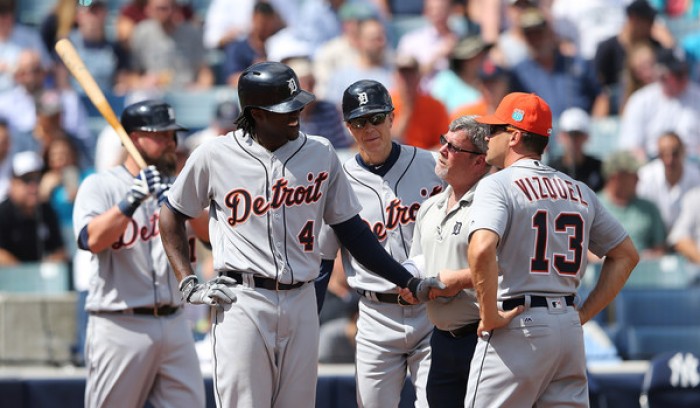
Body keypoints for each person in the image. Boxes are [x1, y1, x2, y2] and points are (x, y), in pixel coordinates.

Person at [158, 61, 438, 408]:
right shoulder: (215, 155)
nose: (296, 113)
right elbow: (171, 214)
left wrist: (406, 279)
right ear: (256, 113)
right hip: (243, 298)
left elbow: (353, 232)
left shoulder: (320, 152)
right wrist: (188, 282)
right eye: (285, 109)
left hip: (302, 299)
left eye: (297, 105)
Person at [450, 92, 638, 407]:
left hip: (519, 323)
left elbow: (481, 249)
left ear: (516, 136)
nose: (488, 135)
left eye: (496, 129)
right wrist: (583, 314)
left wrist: (489, 314)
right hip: (566, 325)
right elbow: (626, 255)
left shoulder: (497, 184)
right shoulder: (578, 189)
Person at [72, 100, 207, 408]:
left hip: (175, 322)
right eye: (160, 135)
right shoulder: (100, 185)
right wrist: (131, 200)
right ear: (134, 139)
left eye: (172, 136)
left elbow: (210, 237)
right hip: (121, 324)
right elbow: (90, 239)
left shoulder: (179, 188)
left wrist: (178, 205)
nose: (170, 143)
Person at [319, 79, 445, 408]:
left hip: (432, 308)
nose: (369, 128)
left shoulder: (433, 166)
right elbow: (322, 260)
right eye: (360, 121)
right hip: (375, 313)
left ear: (391, 117)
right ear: (348, 127)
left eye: (376, 117)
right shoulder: (339, 181)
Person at [407, 115, 491, 407]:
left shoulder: (492, 204)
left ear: (479, 162)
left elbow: (509, 265)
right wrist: (409, 281)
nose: (442, 149)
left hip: (483, 338)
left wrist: (458, 281)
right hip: (441, 340)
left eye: (453, 147)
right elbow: (418, 259)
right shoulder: (430, 206)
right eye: (444, 141)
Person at [0, 150, 66, 265]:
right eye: (26, 180)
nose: (33, 186)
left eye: (37, 179)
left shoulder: (46, 210)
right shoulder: (2, 213)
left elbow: (59, 251)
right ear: (12, 183)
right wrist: (26, 275)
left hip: (42, 280)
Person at [598, 150, 667, 257]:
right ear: (617, 177)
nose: (639, 179)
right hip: (603, 271)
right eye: (634, 175)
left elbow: (660, 248)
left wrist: (652, 257)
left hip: (644, 270)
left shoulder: (649, 208)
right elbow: (585, 249)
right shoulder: (593, 205)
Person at [636, 131, 700, 231]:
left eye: (674, 154)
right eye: (663, 154)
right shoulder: (645, 177)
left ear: (683, 151)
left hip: (688, 238)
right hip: (653, 238)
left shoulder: (697, 177)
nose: (669, 160)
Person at [548, 107, 604, 192]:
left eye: (578, 135)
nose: (573, 140)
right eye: (569, 135)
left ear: (586, 137)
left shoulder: (598, 168)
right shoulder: (551, 168)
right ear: (560, 136)